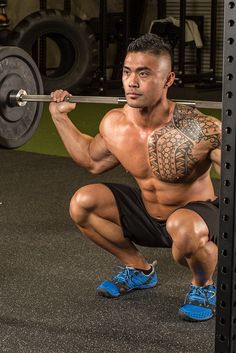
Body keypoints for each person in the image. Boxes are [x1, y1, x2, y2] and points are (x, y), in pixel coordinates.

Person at [49, 33, 221, 322]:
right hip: (149, 214)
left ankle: (204, 286)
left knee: (184, 227)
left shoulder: (201, 128)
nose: (132, 82)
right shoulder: (115, 123)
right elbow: (92, 160)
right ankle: (140, 270)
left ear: (168, 80)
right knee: (83, 202)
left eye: (144, 74)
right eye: (128, 72)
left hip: (196, 221)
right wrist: (59, 117)